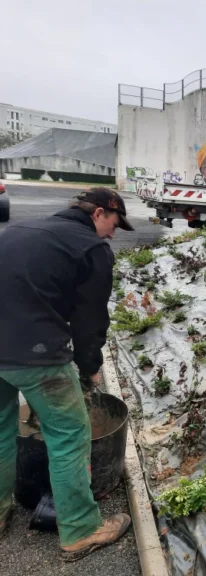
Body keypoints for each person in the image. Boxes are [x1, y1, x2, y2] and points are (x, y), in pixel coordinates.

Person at [0, 188, 133, 561]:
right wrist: (90, 367)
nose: (113, 234)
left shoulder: (19, 230)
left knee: (0, 430)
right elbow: (89, 320)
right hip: (35, 355)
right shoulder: (91, 249)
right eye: (114, 224)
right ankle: (80, 530)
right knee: (70, 434)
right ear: (98, 213)